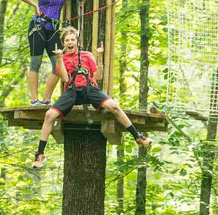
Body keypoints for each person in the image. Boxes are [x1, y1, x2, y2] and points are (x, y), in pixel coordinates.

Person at [33, 26, 152, 168]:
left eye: (72, 40)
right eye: (67, 40)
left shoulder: (87, 55)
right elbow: (65, 78)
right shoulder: (62, 59)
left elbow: (98, 76)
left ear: (77, 42)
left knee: (114, 106)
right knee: (49, 115)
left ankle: (138, 137)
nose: (70, 43)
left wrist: (100, 57)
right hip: (72, 90)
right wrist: (59, 58)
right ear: (63, 43)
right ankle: (40, 153)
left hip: (89, 88)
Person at [14, 0, 82, 105]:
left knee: (58, 65)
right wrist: (34, 4)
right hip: (38, 27)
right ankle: (34, 99)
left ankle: (46, 99)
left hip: (53, 30)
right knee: (36, 62)